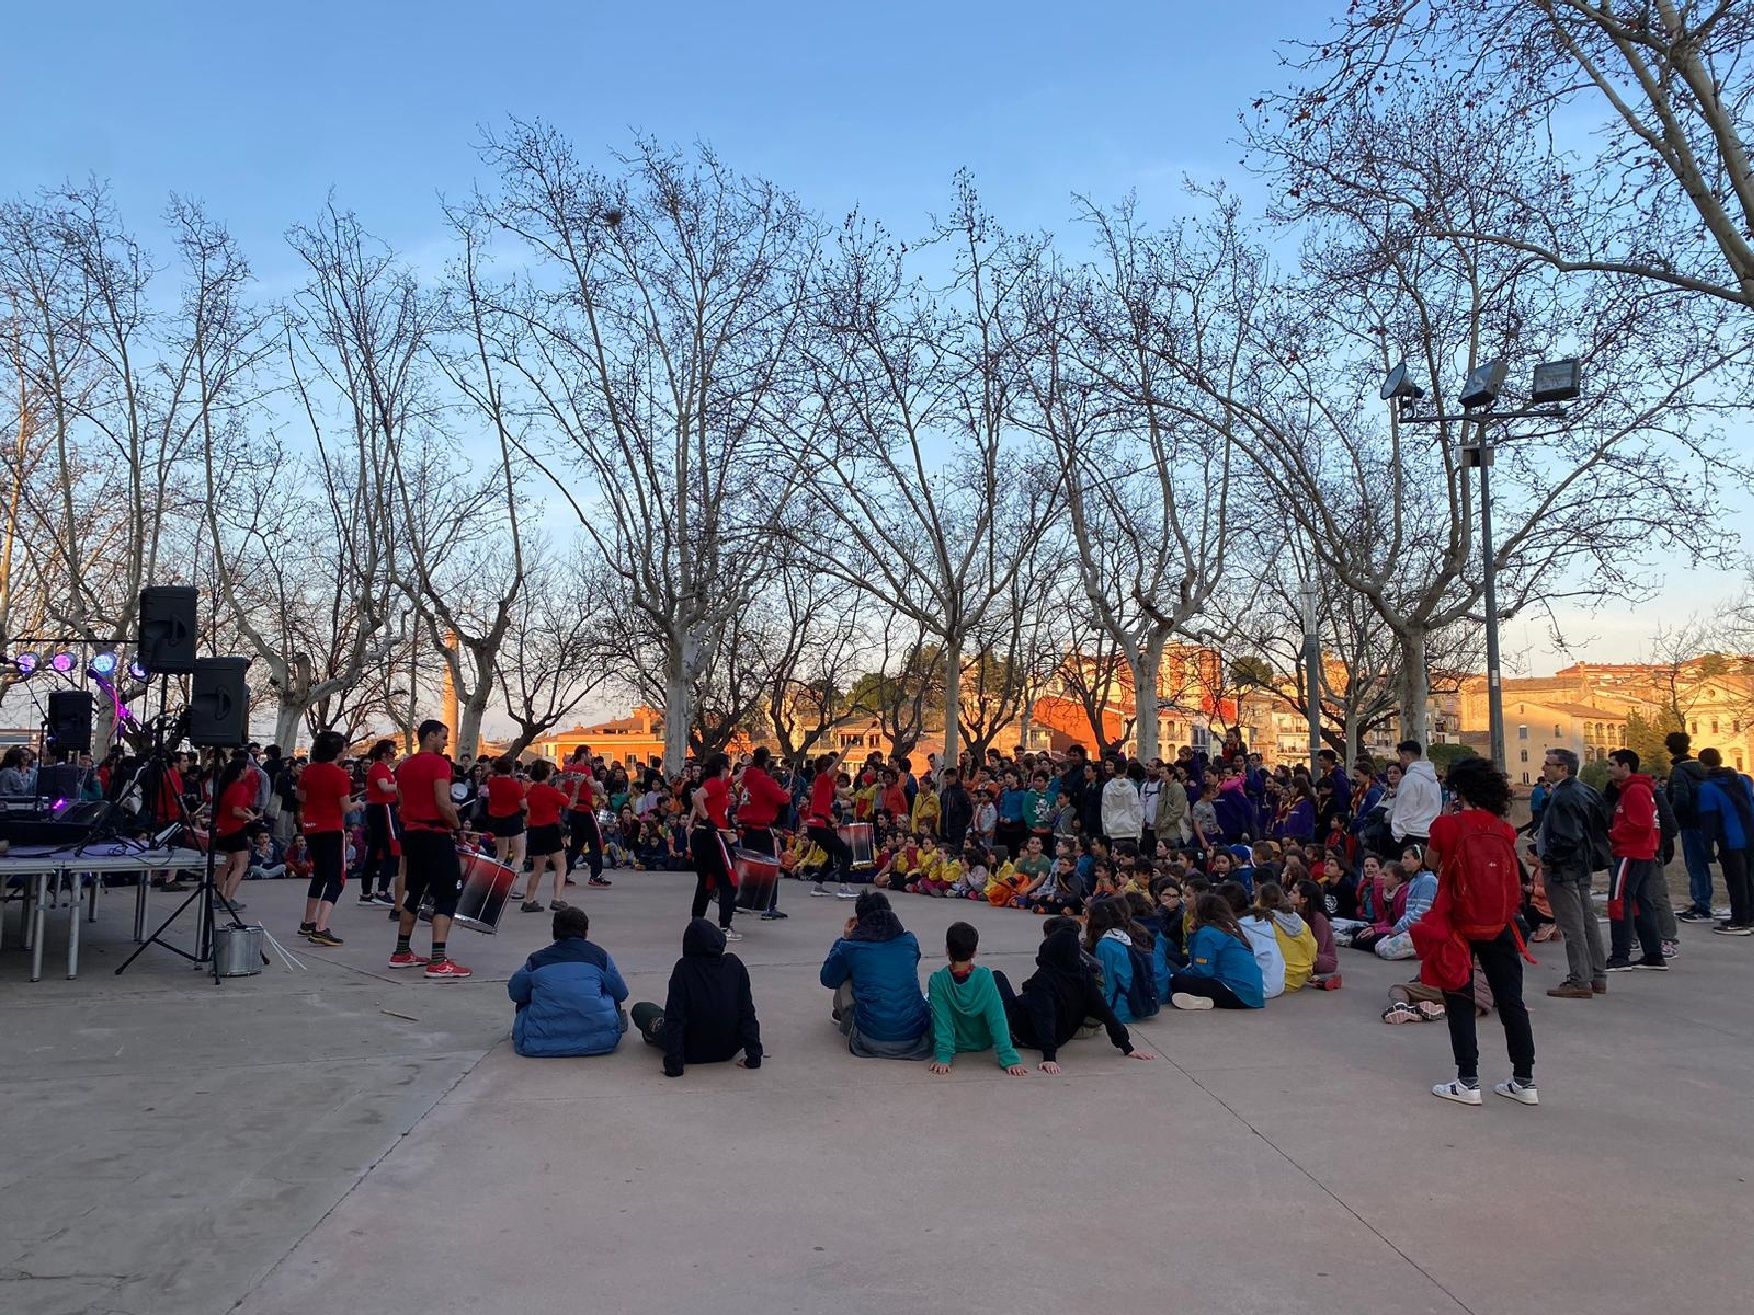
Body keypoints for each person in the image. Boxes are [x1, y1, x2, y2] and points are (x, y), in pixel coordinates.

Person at [1422, 755, 1537, 1108]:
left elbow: (1430, 863)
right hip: (1499, 922)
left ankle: (1467, 1080)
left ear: (1458, 789)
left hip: (1459, 922)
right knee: (1511, 1001)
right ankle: (1524, 1080)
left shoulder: (1447, 825)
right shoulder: (1501, 828)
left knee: (1459, 999)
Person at [389, 719, 472, 980]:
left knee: (414, 892)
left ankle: (401, 951)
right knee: (447, 895)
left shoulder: (404, 765)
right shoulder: (439, 764)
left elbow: (401, 802)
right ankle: (438, 959)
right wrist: (457, 825)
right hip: (435, 834)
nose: (446, 742)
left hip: (411, 833)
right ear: (431, 736)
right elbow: (443, 802)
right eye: (443, 736)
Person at [631, 918, 763, 1077]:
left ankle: (653, 1031)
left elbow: (675, 1019)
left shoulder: (684, 969)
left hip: (691, 1049)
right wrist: (754, 1057)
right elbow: (747, 1012)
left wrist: (674, 1066)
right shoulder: (734, 965)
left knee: (641, 1009)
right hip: (729, 1047)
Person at [818, 891, 932, 1059]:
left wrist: (844, 939)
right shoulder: (909, 940)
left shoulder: (851, 947)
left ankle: (843, 1014)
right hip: (914, 1037)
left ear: (859, 919)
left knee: (846, 979)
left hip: (869, 1040)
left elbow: (828, 978)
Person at [507, 906, 628, 1057]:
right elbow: (621, 993)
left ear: (554, 932)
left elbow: (515, 993)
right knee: (611, 998)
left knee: (527, 997)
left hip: (537, 1043)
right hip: (603, 1042)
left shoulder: (537, 960)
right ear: (585, 932)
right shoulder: (600, 956)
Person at [1536, 748, 1609, 998]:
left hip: (1565, 868)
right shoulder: (1586, 791)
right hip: (1581, 866)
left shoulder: (1565, 796)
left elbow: (1569, 836)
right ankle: (1597, 975)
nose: (1543, 768)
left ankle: (1579, 979)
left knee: (1573, 925)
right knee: (1587, 922)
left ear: (1563, 769)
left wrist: (1547, 858)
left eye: (1548, 764)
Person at [926, 923, 1028, 1075]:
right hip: (982, 1042)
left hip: (956, 1043)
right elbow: (997, 1018)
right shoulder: (985, 977)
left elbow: (942, 1021)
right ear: (974, 953)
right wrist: (1009, 1058)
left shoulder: (937, 980)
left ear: (947, 950)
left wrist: (943, 1057)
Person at [1603, 749, 1671, 972]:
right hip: (1639, 853)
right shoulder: (1635, 790)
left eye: (1612, 764)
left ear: (1625, 767)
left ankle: (1620, 956)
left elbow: (1642, 825)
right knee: (1641, 903)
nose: (1609, 769)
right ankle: (1653, 954)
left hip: (1631, 853)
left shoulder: (1636, 791)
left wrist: (1613, 834)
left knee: (1619, 900)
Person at [296, 730, 356, 947]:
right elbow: (346, 807)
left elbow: (301, 797)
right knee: (336, 878)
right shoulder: (340, 774)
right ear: (336, 751)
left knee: (319, 874)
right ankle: (321, 928)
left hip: (312, 828)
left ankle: (308, 921)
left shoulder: (309, 771)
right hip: (331, 828)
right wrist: (359, 804)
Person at [1169, 893, 1266, 1009]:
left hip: (1235, 993)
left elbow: (1202, 971)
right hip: (1253, 995)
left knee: (1176, 980)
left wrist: (1179, 974)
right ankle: (1202, 999)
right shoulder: (1230, 929)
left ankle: (1199, 997)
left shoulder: (1207, 933)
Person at [1694, 747, 1754, 935]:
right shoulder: (1744, 780)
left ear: (1702, 765)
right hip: (1750, 835)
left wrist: (1708, 847)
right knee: (1750, 878)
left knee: (1736, 881)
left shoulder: (1707, 789)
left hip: (1730, 839)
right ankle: (1750, 916)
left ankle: (1740, 919)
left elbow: (1708, 820)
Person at [688, 753, 742, 941]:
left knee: (706, 881)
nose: (730, 769)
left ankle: (697, 922)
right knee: (729, 881)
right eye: (728, 765)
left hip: (702, 837)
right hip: (712, 836)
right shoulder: (714, 784)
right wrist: (707, 818)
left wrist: (744, 771)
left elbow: (732, 779)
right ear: (722, 767)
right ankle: (725, 926)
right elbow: (697, 797)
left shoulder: (721, 784)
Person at [1665, 731, 1715, 922]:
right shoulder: (1701, 768)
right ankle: (1703, 901)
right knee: (1701, 864)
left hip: (1690, 822)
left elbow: (1681, 799)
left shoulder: (1679, 771)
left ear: (1670, 749)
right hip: (1704, 819)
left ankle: (1702, 905)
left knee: (1695, 864)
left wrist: (1671, 818)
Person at [738, 746, 791, 921]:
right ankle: (769, 906)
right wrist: (786, 792)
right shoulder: (764, 779)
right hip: (761, 827)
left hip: (745, 828)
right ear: (766, 761)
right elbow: (782, 799)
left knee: (749, 868)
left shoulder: (747, 777)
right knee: (769, 868)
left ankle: (743, 902)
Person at [210, 752, 261, 913]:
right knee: (241, 865)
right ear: (241, 771)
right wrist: (250, 817)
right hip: (235, 830)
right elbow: (236, 811)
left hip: (222, 830)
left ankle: (218, 898)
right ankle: (228, 898)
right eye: (247, 768)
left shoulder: (226, 787)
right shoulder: (240, 788)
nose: (250, 770)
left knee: (223, 866)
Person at [804, 751, 857, 900]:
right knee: (846, 853)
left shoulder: (825, 783)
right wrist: (847, 748)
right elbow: (838, 763)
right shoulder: (822, 778)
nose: (838, 770)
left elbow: (839, 792)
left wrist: (852, 800)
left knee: (832, 854)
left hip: (816, 825)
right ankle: (844, 887)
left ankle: (818, 885)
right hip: (818, 825)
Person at [521, 761, 571, 912]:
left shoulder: (530, 792)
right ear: (545, 774)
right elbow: (567, 803)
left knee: (538, 868)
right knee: (561, 865)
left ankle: (528, 900)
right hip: (550, 829)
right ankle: (557, 898)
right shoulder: (552, 792)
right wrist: (567, 788)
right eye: (550, 771)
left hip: (534, 830)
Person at [561, 746, 611, 889]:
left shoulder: (567, 769)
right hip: (585, 808)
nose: (591, 756)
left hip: (573, 809)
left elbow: (562, 785)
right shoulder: (585, 768)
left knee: (576, 845)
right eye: (590, 754)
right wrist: (601, 790)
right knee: (596, 842)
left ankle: (563, 874)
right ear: (583, 755)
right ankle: (596, 875)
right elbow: (592, 784)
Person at [359, 739, 400, 905]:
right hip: (383, 808)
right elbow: (384, 787)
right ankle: (382, 890)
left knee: (374, 850)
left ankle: (367, 892)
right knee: (391, 849)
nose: (394, 756)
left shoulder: (380, 768)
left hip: (378, 809)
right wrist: (400, 785)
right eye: (392, 753)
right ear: (384, 754)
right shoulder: (379, 768)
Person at [1387, 740, 1442, 851]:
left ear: (1405, 755)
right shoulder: (1433, 781)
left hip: (1411, 834)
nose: (1400, 761)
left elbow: (1404, 810)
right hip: (1429, 833)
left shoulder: (1409, 779)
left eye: (1400, 756)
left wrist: (1397, 836)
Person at [485, 756, 529, 889]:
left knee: (501, 853)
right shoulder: (514, 785)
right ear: (511, 769)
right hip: (513, 819)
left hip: (497, 819)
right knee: (519, 854)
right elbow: (523, 805)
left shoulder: (492, 782)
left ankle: (496, 881)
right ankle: (511, 885)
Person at [1101, 759, 1145, 849]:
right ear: (1126, 770)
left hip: (1112, 829)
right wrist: (1138, 833)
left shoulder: (1107, 788)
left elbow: (1105, 810)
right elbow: (1136, 811)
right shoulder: (1132, 789)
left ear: (1114, 770)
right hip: (1130, 829)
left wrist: (1105, 831)